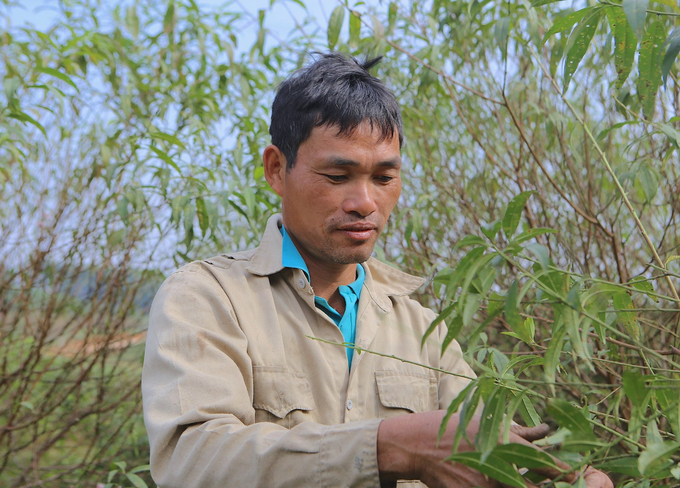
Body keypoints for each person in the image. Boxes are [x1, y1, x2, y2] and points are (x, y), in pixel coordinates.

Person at [142, 53, 612, 488]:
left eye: (384, 178)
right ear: (276, 169)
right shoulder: (208, 298)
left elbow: (488, 444)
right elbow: (192, 459)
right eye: (337, 176)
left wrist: (565, 471)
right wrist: (388, 445)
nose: (365, 203)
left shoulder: (419, 328)